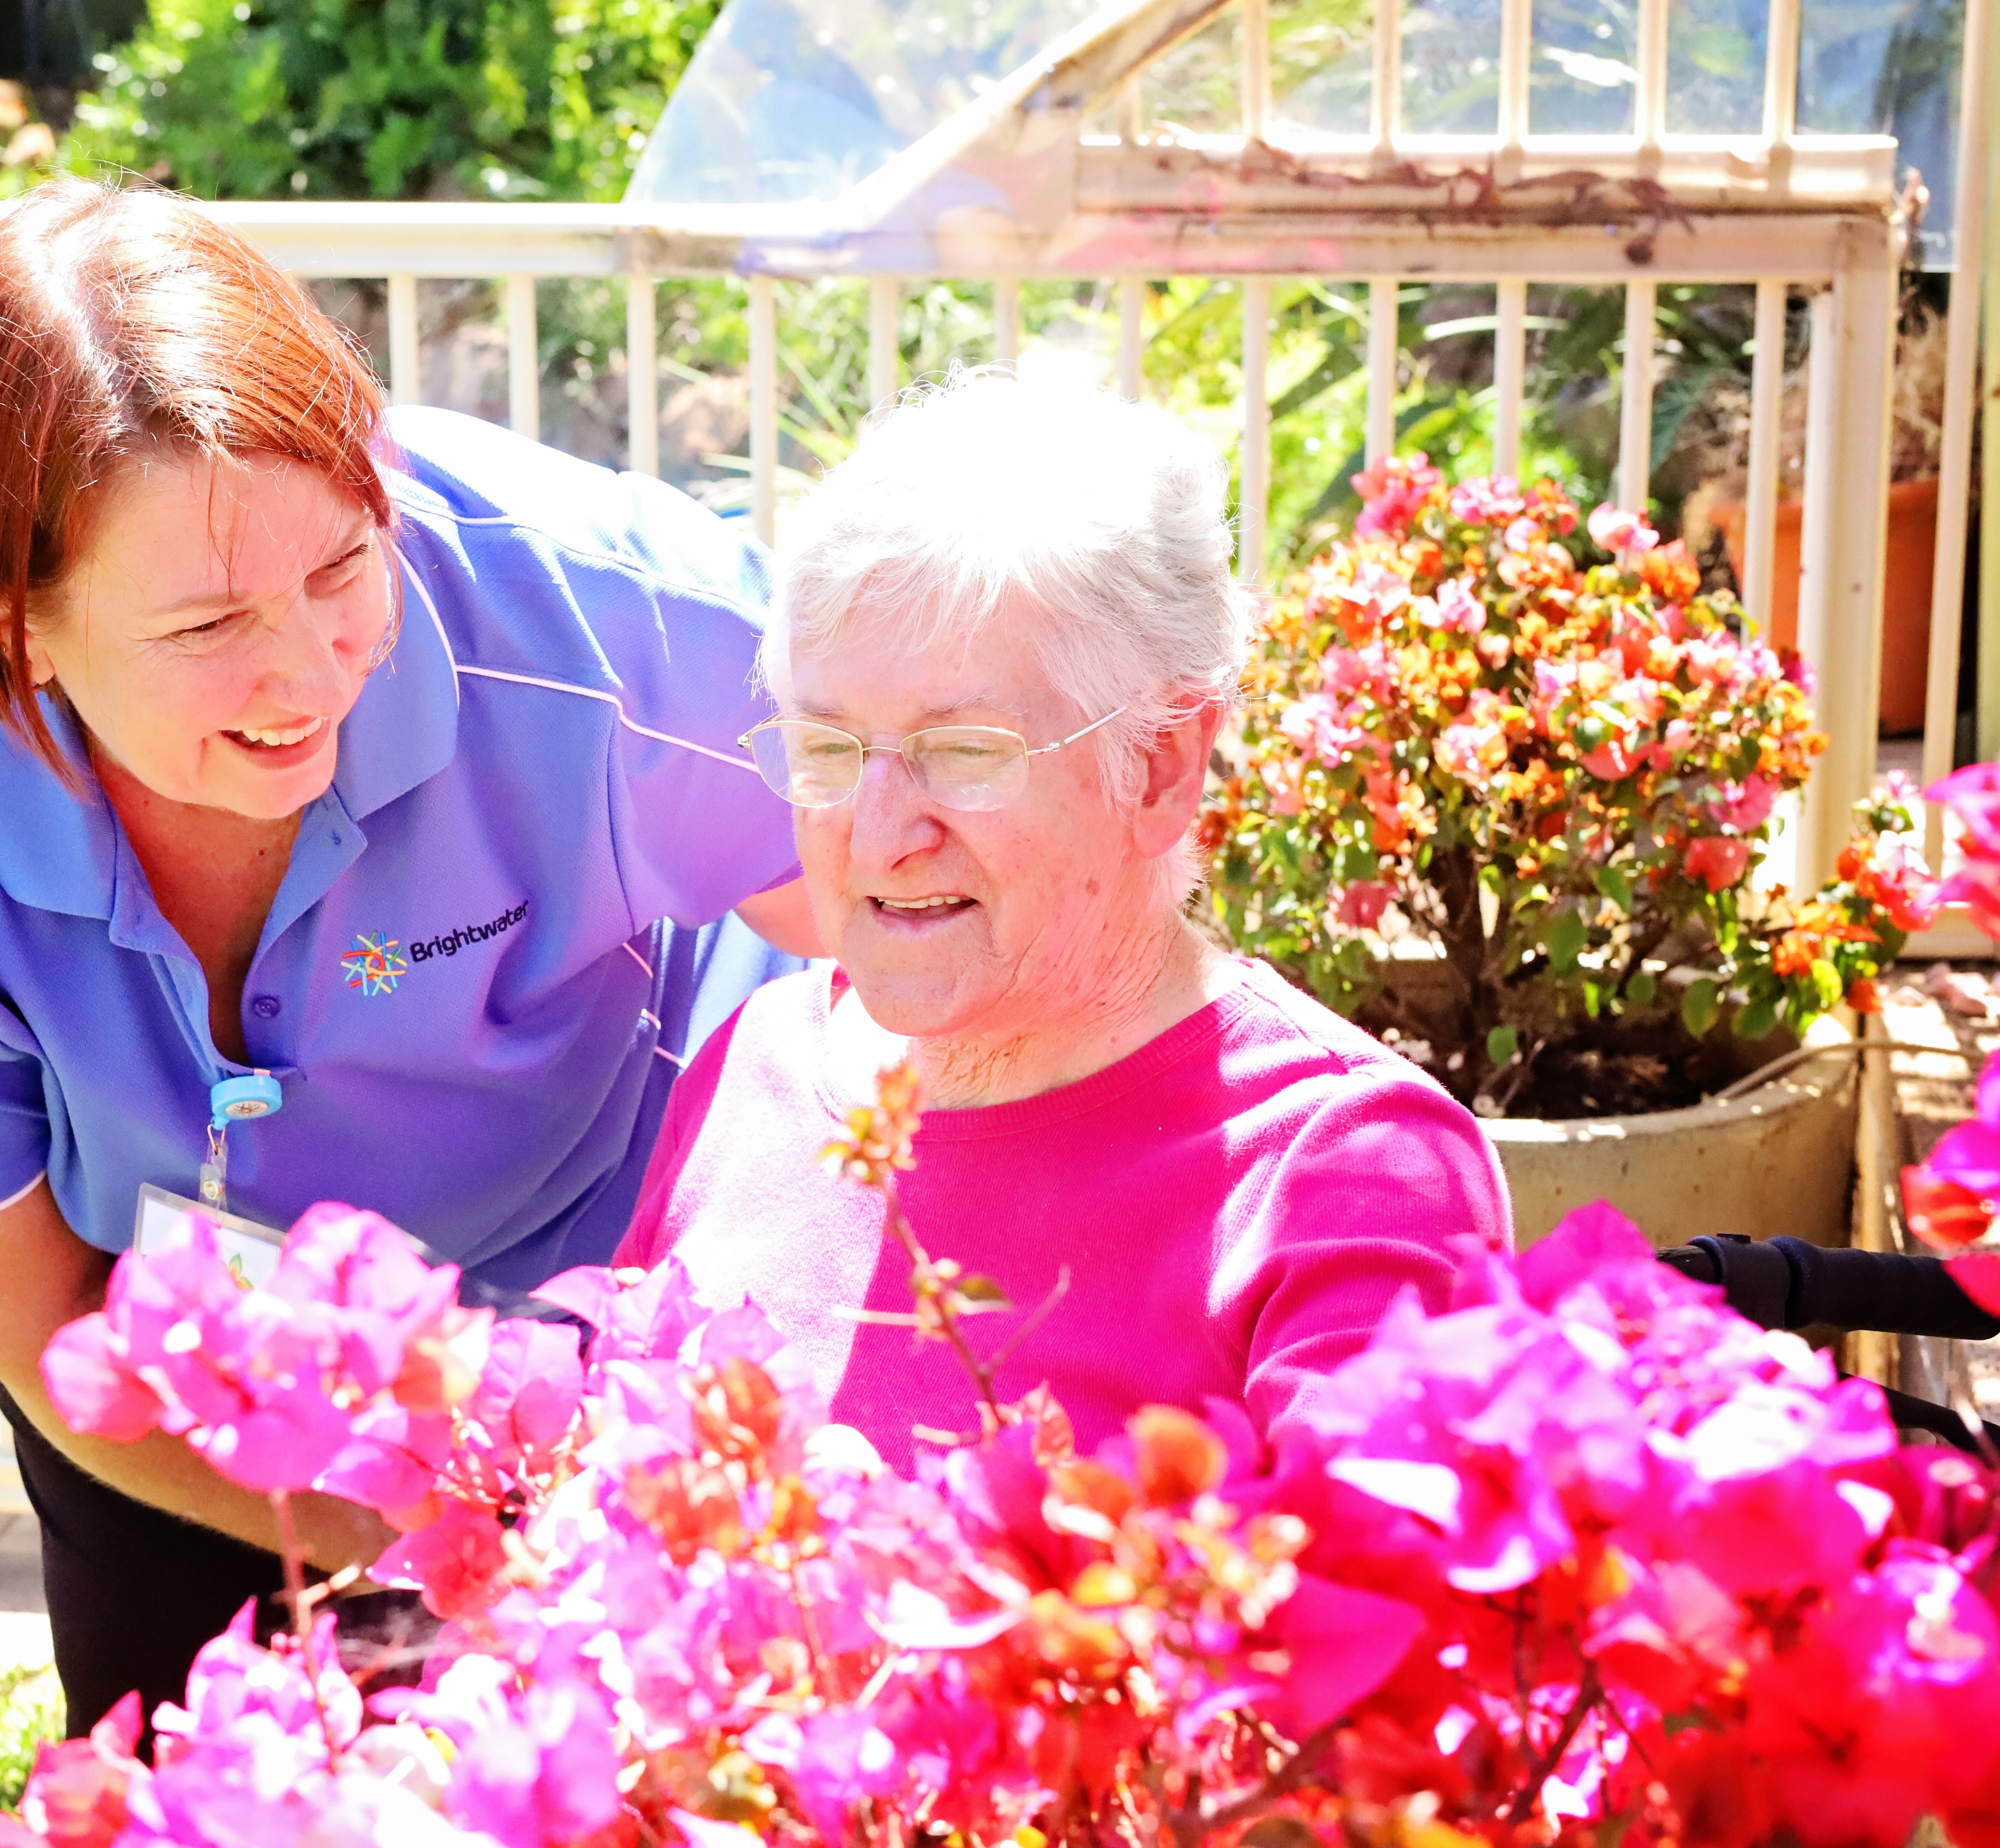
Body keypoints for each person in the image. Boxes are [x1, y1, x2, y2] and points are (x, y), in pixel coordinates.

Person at [0, 181, 815, 1726]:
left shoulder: (613, 619)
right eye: (204, 629)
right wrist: (419, 1546)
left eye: (341, 570)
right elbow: (20, 1305)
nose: (306, 676)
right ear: (13, 629)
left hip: (625, 1320)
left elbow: (941, 952)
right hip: (176, 1402)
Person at [615, 371, 1511, 1470]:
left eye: (965, 751)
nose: (880, 832)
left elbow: (1366, 1623)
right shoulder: (756, 1067)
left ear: (1162, 767)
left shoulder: (1340, 1174)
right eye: (830, 750)